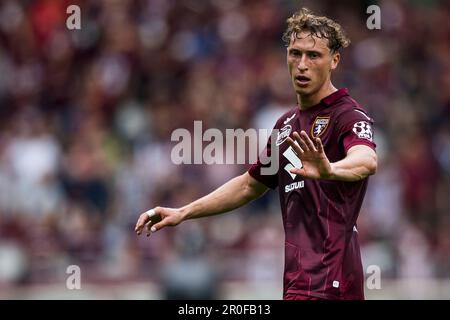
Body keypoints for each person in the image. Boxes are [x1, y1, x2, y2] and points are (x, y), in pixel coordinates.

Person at [135, 8, 377, 300]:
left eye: (314, 56)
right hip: (302, 281)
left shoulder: (347, 115)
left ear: (334, 60)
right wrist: (184, 212)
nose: (302, 64)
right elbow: (250, 184)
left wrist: (330, 170)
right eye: (295, 53)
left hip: (329, 281)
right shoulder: (286, 125)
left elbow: (366, 160)